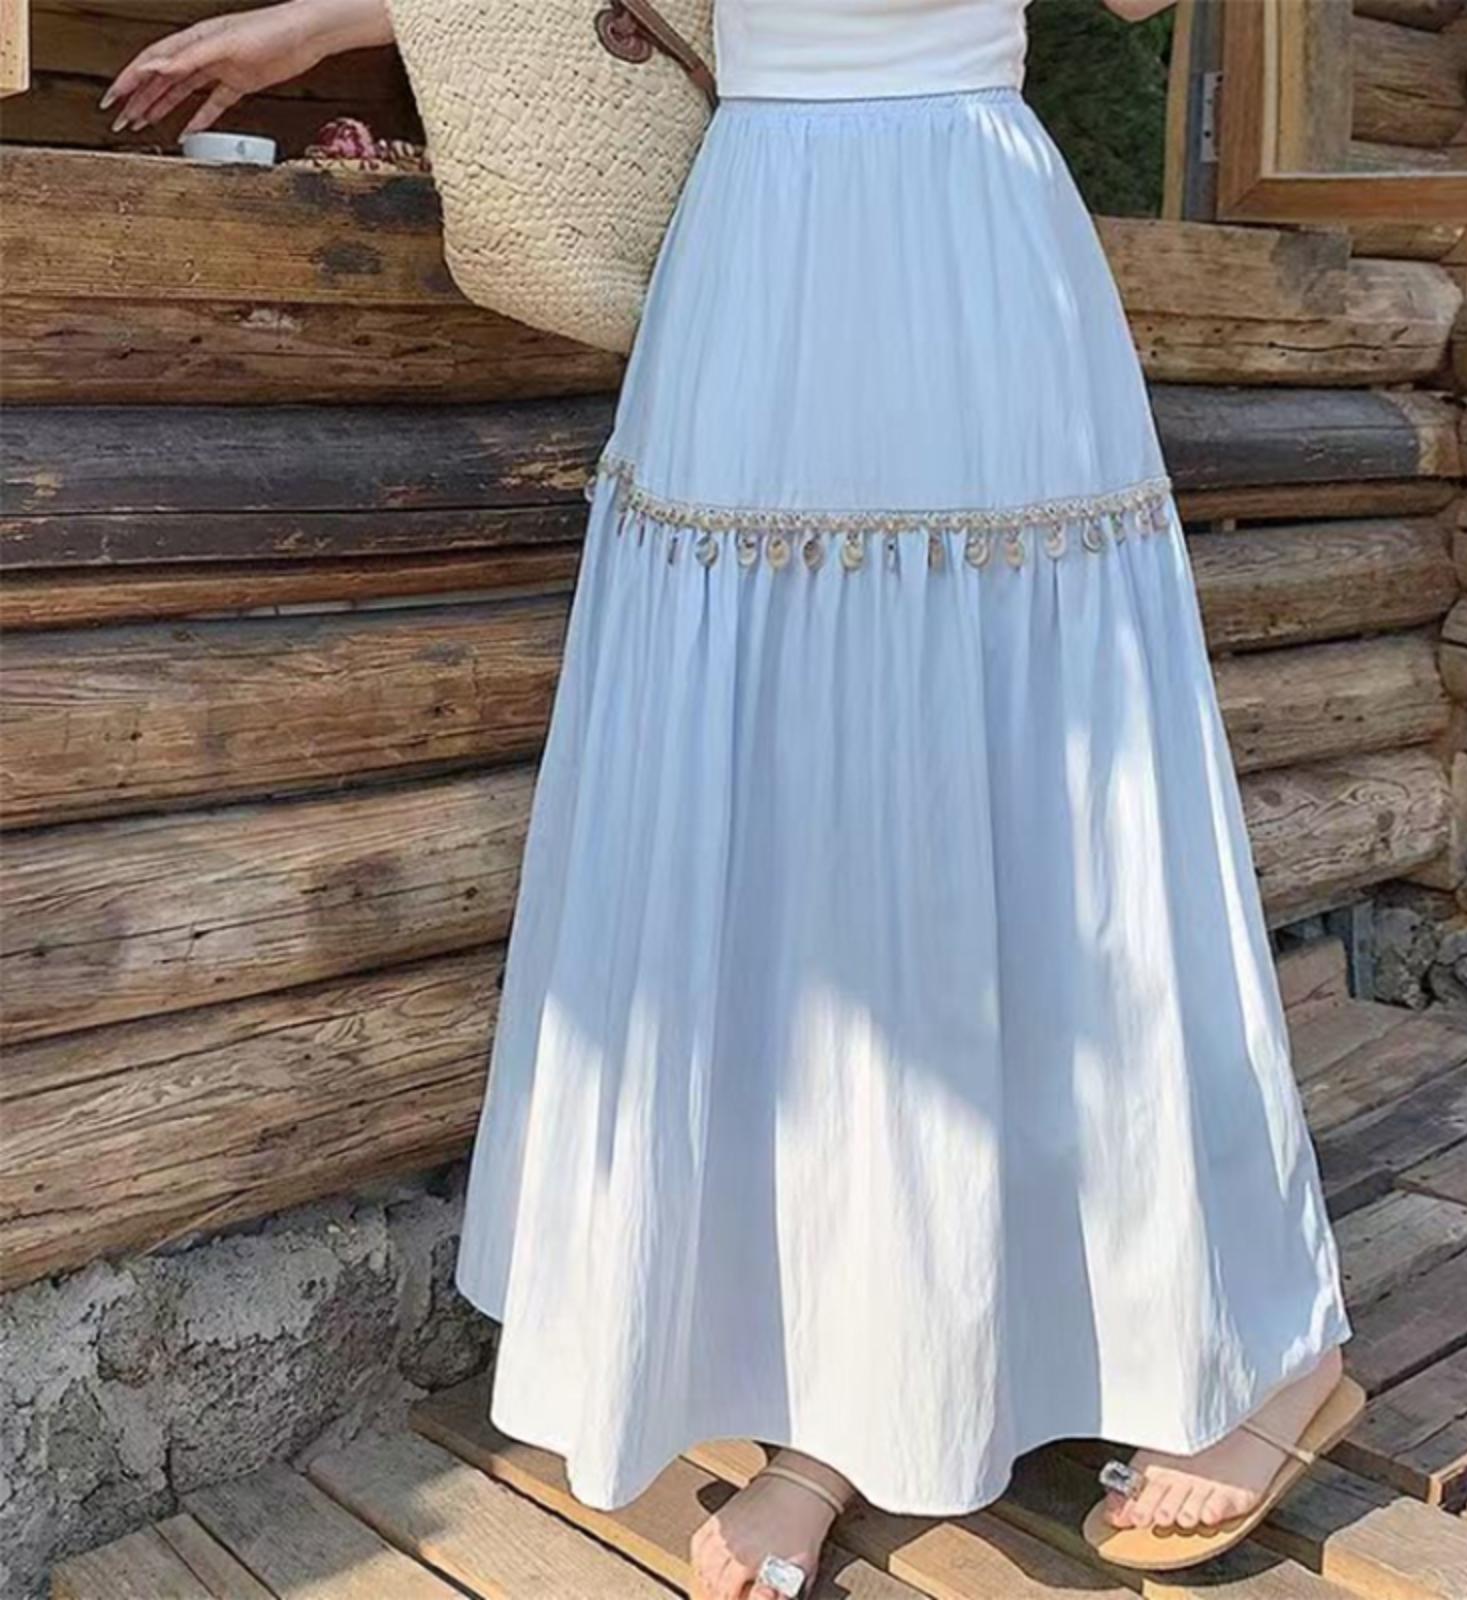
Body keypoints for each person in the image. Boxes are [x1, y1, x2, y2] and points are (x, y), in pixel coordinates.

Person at [107, 2, 1358, 1594]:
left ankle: (1271, 1345)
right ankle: (839, 1407)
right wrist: (316, 25)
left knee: (1028, 761)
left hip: (961, 239)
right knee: (783, 779)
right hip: (759, 237)